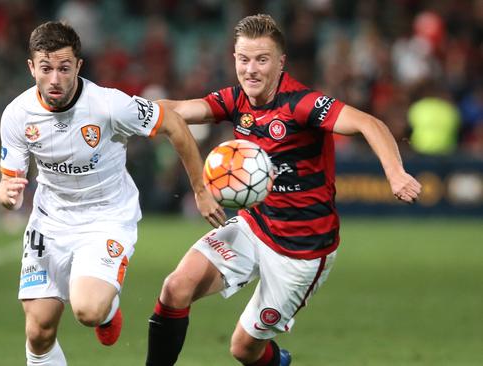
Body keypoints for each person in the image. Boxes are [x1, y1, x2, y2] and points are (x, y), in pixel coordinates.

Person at [145, 14, 422, 366]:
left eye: (262, 60)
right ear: (234, 59)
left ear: (280, 63)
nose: (251, 70)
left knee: (243, 350)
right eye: (243, 59)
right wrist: (128, 113)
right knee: (175, 288)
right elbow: (176, 111)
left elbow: (369, 123)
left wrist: (395, 173)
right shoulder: (235, 101)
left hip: (302, 251)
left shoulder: (302, 105)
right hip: (255, 225)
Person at [0, 21, 223, 366]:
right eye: (45, 68)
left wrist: (200, 190)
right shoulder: (16, 115)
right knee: (39, 331)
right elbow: (7, 182)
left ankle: (106, 312)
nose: (55, 78)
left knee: (87, 309)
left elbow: (174, 124)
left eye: (64, 68)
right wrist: (6, 195)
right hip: (50, 221)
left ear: (79, 66)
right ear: (31, 68)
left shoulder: (108, 105)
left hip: (106, 218)